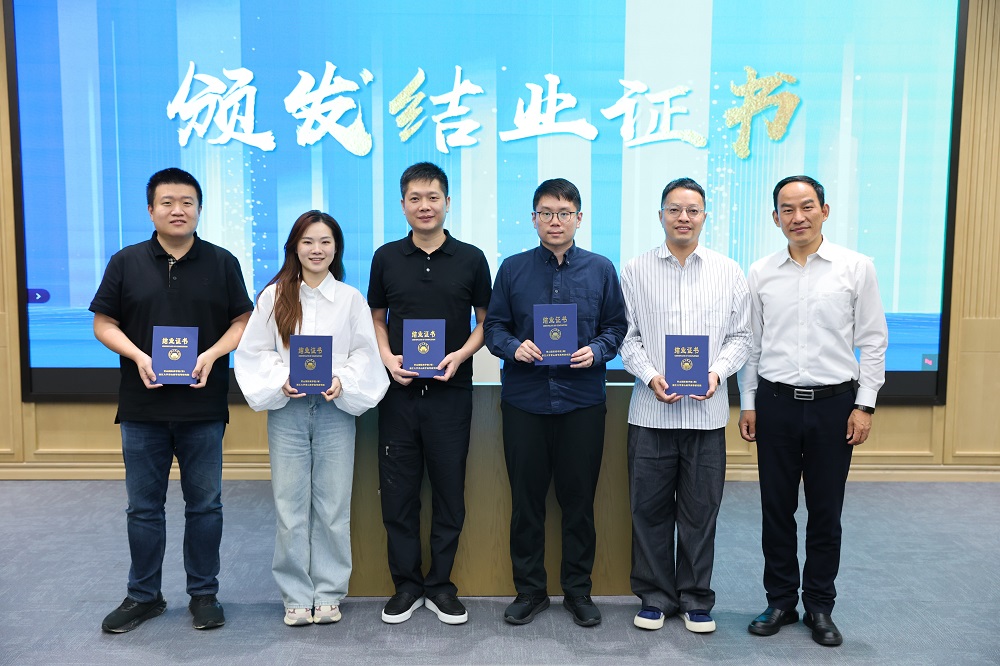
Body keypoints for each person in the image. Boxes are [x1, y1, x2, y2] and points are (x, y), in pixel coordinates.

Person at [90, 168, 253, 633]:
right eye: (167, 202)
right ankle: (144, 596)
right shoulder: (125, 262)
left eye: (187, 202)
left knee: (206, 507)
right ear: (151, 210)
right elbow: (103, 323)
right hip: (142, 408)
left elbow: (242, 321)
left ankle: (204, 594)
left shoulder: (222, 262)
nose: (177, 210)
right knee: (143, 509)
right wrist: (139, 356)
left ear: (199, 209)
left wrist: (212, 354)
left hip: (203, 407)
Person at [737, 175, 888, 647]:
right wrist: (749, 403)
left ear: (825, 210)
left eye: (806, 206)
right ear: (775, 217)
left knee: (826, 511)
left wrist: (865, 405)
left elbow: (873, 341)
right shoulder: (760, 272)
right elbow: (752, 346)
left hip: (835, 407)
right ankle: (781, 600)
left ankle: (820, 605)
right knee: (776, 509)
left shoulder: (856, 267)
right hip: (776, 404)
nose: (797, 217)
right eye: (787, 209)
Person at [484, 178, 627, 627]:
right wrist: (514, 348)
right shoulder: (512, 269)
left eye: (564, 213)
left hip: (581, 402)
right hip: (525, 401)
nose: (555, 221)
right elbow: (494, 328)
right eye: (546, 213)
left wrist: (597, 351)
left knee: (578, 503)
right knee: (526, 504)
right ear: (533, 219)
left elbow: (616, 328)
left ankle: (578, 591)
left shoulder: (601, 269)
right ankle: (530, 591)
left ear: (579, 218)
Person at [234, 210, 388, 627]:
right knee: (289, 504)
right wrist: (281, 378)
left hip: (336, 410)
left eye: (325, 242)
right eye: (307, 241)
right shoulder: (274, 296)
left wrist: (343, 379)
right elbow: (254, 351)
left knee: (333, 504)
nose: (316, 249)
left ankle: (329, 592)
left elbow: (365, 354)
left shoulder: (351, 299)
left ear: (336, 248)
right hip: (288, 411)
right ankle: (296, 595)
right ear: (294, 247)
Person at [619, 177, 752, 633]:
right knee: (648, 510)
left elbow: (741, 337)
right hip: (650, 413)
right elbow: (627, 337)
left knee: (700, 511)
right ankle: (655, 597)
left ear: (704, 217)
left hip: (706, 416)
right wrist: (651, 375)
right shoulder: (635, 270)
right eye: (674, 209)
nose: (683, 218)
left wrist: (716, 373)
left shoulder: (728, 271)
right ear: (660, 215)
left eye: (692, 210)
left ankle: (696, 598)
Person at [368, 162, 492, 625]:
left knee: (449, 492)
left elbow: (487, 322)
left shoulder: (471, 258)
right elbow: (377, 317)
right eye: (415, 198)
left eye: (433, 197)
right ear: (403, 205)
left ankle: (440, 585)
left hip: (450, 393)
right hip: (398, 394)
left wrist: (459, 355)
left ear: (447, 202)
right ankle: (406, 585)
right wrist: (387, 357)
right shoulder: (385, 257)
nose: (425, 206)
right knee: (398, 495)